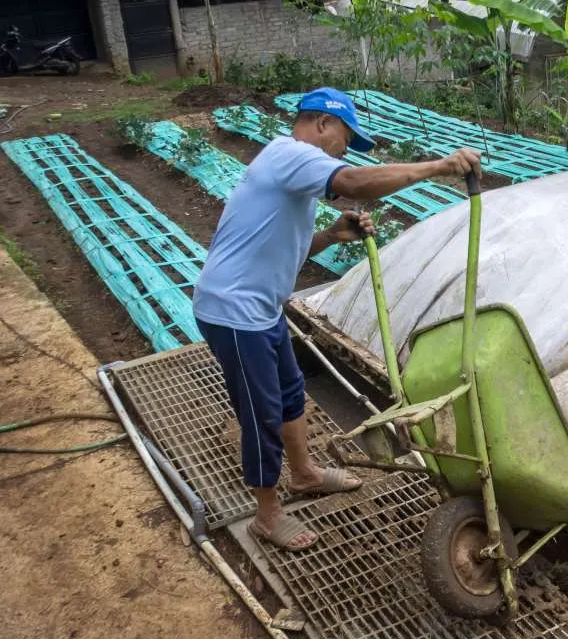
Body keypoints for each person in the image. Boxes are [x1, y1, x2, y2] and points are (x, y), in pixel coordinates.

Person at [192, 87, 482, 551]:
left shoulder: (293, 175)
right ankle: (267, 516)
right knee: (261, 413)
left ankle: (304, 473)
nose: (344, 150)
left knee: (290, 392)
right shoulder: (290, 155)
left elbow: (288, 251)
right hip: (233, 312)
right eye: (346, 138)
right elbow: (352, 182)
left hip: (261, 307)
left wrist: (329, 235)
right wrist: (438, 167)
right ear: (323, 123)